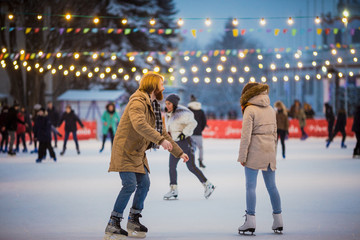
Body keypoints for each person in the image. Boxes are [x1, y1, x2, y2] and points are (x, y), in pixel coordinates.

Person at [105, 72, 189, 239]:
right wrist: (159, 140)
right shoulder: (137, 101)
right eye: (161, 84)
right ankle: (113, 224)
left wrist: (179, 153)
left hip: (137, 151)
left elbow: (162, 133)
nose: (163, 88)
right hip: (125, 150)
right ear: (152, 86)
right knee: (129, 185)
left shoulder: (154, 105)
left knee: (144, 183)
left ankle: (133, 220)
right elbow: (139, 124)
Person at [237, 83, 283, 235]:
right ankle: (278, 219)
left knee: (250, 186)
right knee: (272, 186)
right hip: (269, 151)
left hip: (254, 152)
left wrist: (242, 156)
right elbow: (275, 134)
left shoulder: (250, 109)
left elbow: (246, 136)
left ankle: (250, 221)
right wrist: (273, 153)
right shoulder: (271, 109)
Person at [163, 94, 215, 200]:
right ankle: (173, 189)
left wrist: (184, 133)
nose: (167, 105)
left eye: (169, 103)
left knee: (191, 166)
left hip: (184, 142)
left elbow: (193, 123)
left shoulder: (182, 113)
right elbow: (171, 127)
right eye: (166, 103)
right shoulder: (169, 114)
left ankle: (208, 185)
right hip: (175, 143)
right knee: (172, 166)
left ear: (174, 104)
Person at [187, 94, 207, 168]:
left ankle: (191, 162)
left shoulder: (188, 110)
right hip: (198, 133)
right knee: (200, 147)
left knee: (191, 148)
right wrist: (200, 129)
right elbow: (204, 122)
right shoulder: (201, 111)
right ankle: (200, 161)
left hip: (190, 133)